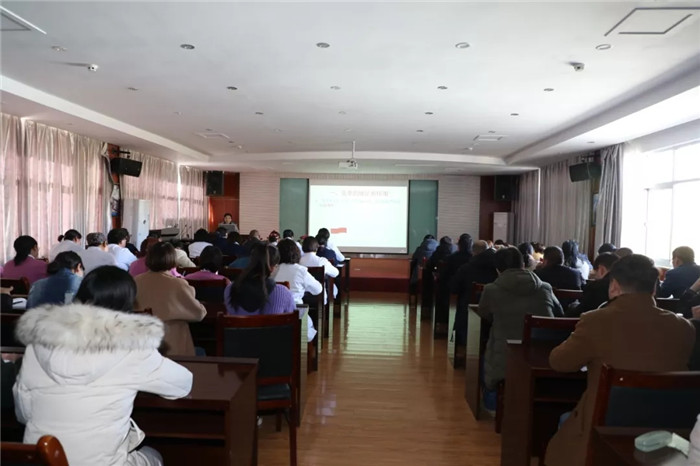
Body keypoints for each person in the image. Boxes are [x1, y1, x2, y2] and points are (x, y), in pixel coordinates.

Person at [14, 265, 192, 466]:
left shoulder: (39, 340)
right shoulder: (133, 347)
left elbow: (23, 412)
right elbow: (182, 384)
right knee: (155, 455)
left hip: (42, 459)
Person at [545, 254, 695, 466]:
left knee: (565, 423)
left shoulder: (596, 320)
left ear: (614, 286)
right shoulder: (684, 328)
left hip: (604, 429)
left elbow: (559, 363)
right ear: (654, 289)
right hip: (664, 435)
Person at [480, 247, 562, 389]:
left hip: (504, 361)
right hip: (542, 359)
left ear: (498, 270)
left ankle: (491, 399)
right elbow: (559, 315)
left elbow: (484, 315)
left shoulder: (491, 290)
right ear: (523, 265)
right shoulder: (545, 288)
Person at [134, 242, 206, 356]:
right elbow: (199, 314)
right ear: (172, 259)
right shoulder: (178, 284)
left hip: (141, 346)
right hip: (173, 348)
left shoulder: (135, 282)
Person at [224, 243, 296, 315]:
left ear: (250, 261)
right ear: (272, 268)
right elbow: (292, 318)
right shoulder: (283, 293)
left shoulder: (230, 289)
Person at [566, 252, 619, 317]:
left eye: (594, 271)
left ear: (601, 270)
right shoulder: (625, 285)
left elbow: (579, 314)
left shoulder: (596, 288)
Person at [272, 239, 322, 304]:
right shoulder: (300, 270)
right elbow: (317, 290)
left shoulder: (272, 270)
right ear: (296, 252)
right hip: (295, 308)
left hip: (275, 308)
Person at [299, 236, 339, 302]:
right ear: (316, 247)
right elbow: (335, 273)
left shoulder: (298, 261)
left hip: (302, 297)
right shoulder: (321, 261)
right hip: (320, 297)